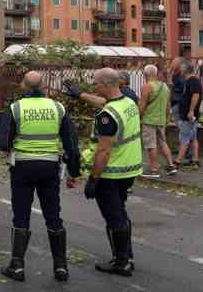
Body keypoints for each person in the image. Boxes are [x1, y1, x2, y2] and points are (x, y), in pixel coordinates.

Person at [0, 71, 81, 283]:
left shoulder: (15, 108)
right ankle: (61, 267)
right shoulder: (58, 108)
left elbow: (3, 143)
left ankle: (17, 266)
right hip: (50, 167)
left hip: (23, 167)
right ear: (43, 85)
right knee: (53, 215)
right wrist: (74, 171)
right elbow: (71, 143)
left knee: (21, 215)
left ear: (24, 86)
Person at [82, 68, 142, 277]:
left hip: (111, 173)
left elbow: (103, 150)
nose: (93, 86)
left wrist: (93, 179)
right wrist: (79, 95)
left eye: (96, 83)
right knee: (121, 212)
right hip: (130, 168)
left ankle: (122, 262)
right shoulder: (128, 102)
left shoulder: (107, 116)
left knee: (114, 216)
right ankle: (126, 255)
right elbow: (102, 102)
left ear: (107, 84)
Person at [138, 65, 176, 177]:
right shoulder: (165, 87)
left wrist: (138, 117)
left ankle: (154, 169)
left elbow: (142, 106)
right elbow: (168, 106)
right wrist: (167, 118)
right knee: (163, 143)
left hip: (149, 120)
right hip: (161, 120)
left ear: (145, 74)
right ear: (155, 73)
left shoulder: (147, 86)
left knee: (151, 145)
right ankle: (171, 166)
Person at [175, 60, 200, 168]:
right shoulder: (190, 80)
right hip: (189, 114)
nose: (180, 70)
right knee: (193, 137)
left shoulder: (193, 81)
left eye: (181, 68)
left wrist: (190, 111)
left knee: (184, 137)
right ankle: (195, 160)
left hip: (188, 115)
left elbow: (196, 95)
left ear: (185, 70)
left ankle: (178, 161)